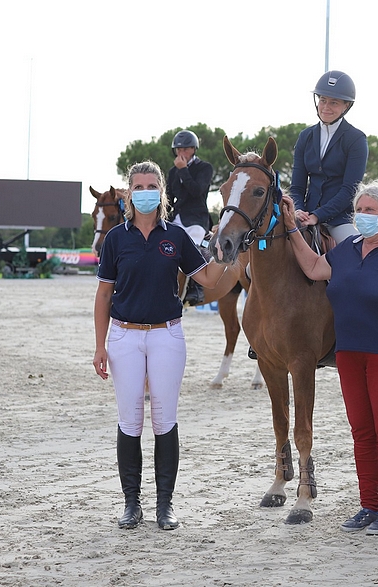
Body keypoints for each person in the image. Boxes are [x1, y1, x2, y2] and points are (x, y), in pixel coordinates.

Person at [280, 181, 378, 536]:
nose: (361, 216)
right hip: (350, 355)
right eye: (358, 210)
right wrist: (291, 228)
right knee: (362, 432)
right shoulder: (347, 249)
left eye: (369, 211)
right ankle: (369, 505)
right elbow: (316, 269)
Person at [93, 161, 237, 531]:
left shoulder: (175, 235)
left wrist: (224, 258)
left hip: (166, 336)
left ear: (161, 192)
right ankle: (131, 504)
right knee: (130, 421)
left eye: (151, 185)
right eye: (137, 186)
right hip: (124, 336)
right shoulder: (115, 239)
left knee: (164, 421)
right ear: (129, 193)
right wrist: (100, 346)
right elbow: (104, 294)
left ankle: (164, 506)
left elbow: (205, 277)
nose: (144, 191)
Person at [290, 70, 368, 244]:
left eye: (334, 102)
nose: (326, 107)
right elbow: (296, 187)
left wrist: (319, 215)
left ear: (346, 106)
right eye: (322, 100)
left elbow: (349, 190)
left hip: (338, 220)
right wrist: (299, 210)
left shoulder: (356, 139)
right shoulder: (305, 136)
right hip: (303, 217)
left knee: (356, 252)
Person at [167, 129, 215, 306]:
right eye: (178, 150)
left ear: (194, 149)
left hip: (197, 218)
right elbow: (169, 197)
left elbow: (196, 191)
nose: (181, 153)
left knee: (192, 245)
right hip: (176, 217)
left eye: (185, 149)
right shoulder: (173, 172)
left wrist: (183, 170)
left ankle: (196, 287)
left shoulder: (204, 168)